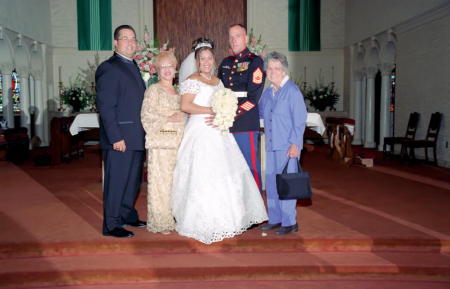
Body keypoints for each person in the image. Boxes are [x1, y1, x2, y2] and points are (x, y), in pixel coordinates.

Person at [171, 38, 268, 244]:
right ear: (197, 61)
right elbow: (186, 105)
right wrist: (211, 110)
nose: (206, 62)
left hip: (218, 130)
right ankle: (199, 218)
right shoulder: (192, 79)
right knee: (202, 172)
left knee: (225, 173)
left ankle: (228, 216)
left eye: (209, 58)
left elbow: (226, 101)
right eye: (202, 59)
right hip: (199, 130)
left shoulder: (218, 81)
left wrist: (222, 113)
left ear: (213, 61)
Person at [96, 25, 147, 238]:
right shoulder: (109, 67)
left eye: (133, 39)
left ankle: (127, 214)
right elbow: (106, 107)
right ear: (116, 43)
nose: (130, 42)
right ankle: (111, 224)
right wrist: (115, 137)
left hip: (136, 136)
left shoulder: (132, 65)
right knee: (117, 182)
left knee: (132, 181)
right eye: (125, 38)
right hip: (121, 138)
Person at [258, 52, 307, 235]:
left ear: (283, 70)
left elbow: (299, 119)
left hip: (287, 148)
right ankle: (275, 218)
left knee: (287, 184)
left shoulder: (292, 91)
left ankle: (289, 222)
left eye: (276, 68)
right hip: (271, 145)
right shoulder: (268, 93)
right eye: (269, 68)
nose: (272, 72)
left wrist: (295, 144)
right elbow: (260, 114)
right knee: (271, 183)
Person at [141, 51, 185, 234]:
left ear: (175, 69)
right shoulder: (154, 90)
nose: (167, 70)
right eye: (163, 67)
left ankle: (176, 216)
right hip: (161, 145)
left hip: (179, 145)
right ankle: (161, 221)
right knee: (161, 185)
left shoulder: (180, 91)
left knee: (177, 184)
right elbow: (146, 116)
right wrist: (171, 118)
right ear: (158, 70)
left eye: (170, 66)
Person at [217, 24, 265, 191]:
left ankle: (256, 209)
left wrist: (233, 113)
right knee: (230, 167)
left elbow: (253, 97)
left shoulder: (255, 61)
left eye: (237, 36)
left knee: (249, 165)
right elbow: (218, 90)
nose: (233, 40)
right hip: (225, 123)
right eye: (231, 37)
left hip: (245, 121)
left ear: (245, 38)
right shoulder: (225, 62)